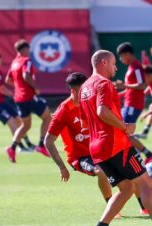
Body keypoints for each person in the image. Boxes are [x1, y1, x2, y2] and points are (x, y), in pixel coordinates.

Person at [79, 49, 152, 226]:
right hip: (115, 144)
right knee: (145, 182)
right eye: (112, 63)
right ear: (103, 62)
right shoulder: (104, 83)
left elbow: (86, 122)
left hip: (97, 148)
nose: (115, 67)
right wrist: (124, 127)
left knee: (126, 188)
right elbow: (102, 111)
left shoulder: (85, 87)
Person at [44, 72, 118, 215]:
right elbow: (48, 140)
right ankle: (111, 207)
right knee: (101, 172)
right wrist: (61, 167)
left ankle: (143, 207)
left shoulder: (91, 101)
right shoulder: (63, 111)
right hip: (80, 157)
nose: (87, 92)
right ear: (73, 91)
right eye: (83, 90)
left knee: (131, 171)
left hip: (99, 149)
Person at [6, 39, 51, 158]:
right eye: (28, 50)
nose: (29, 52)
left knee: (26, 125)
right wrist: (35, 88)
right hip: (29, 96)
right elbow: (26, 75)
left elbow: (8, 80)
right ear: (25, 49)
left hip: (18, 98)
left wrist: (18, 86)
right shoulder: (27, 61)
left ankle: (12, 148)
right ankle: (41, 145)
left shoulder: (14, 63)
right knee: (47, 118)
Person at [114, 42, 152, 164]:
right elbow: (129, 89)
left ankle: (146, 155)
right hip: (129, 104)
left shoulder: (136, 67)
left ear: (127, 54)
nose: (121, 60)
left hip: (133, 105)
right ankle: (142, 155)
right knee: (121, 131)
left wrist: (124, 85)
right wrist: (116, 95)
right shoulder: (131, 67)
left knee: (124, 132)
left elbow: (142, 85)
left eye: (121, 57)